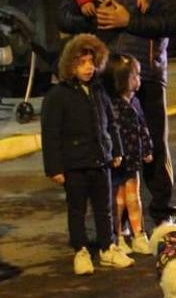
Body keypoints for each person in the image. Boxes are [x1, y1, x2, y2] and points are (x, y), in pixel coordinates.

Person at [60, 0, 176, 227]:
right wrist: (96, 18)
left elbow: (175, 21)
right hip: (104, 74)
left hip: (147, 71)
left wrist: (130, 20)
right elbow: (65, 14)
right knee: (110, 148)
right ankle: (118, 221)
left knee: (153, 144)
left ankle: (162, 214)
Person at [42, 34, 132, 275]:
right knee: (77, 209)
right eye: (82, 63)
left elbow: (110, 122)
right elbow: (50, 135)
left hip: (100, 161)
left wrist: (117, 150)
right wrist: (55, 167)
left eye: (91, 62)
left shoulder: (98, 91)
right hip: (74, 165)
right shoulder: (57, 96)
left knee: (105, 208)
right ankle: (80, 250)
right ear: (70, 65)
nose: (88, 67)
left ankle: (107, 247)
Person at [105, 54, 155, 256]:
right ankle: (118, 236)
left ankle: (139, 234)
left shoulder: (135, 102)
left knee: (134, 199)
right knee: (118, 202)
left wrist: (147, 148)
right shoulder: (111, 105)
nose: (139, 80)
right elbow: (109, 131)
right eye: (135, 76)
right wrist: (114, 153)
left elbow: (142, 127)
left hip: (133, 160)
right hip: (118, 163)